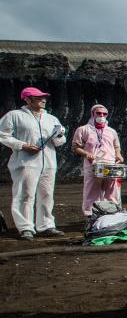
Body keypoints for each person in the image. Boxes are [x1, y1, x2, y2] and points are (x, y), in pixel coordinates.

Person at [0, 87, 67, 240]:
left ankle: (46, 225)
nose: (43, 100)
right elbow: (2, 134)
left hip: (48, 161)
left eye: (43, 97)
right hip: (25, 161)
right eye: (38, 98)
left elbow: (60, 142)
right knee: (25, 194)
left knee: (47, 194)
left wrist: (60, 135)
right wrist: (22, 145)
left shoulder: (51, 119)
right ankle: (25, 227)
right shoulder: (15, 116)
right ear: (27, 99)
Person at [72, 104, 123, 216]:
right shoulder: (83, 129)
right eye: (98, 113)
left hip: (110, 163)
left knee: (111, 190)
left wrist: (118, 155)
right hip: (93, 163)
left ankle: (112, 213)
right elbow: (75, 147)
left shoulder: (111, 131)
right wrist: (86, 153)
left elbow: (116, 146)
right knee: (92, 190)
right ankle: (90, 214)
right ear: (92, 114)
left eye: (104, 114)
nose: (101, 115)